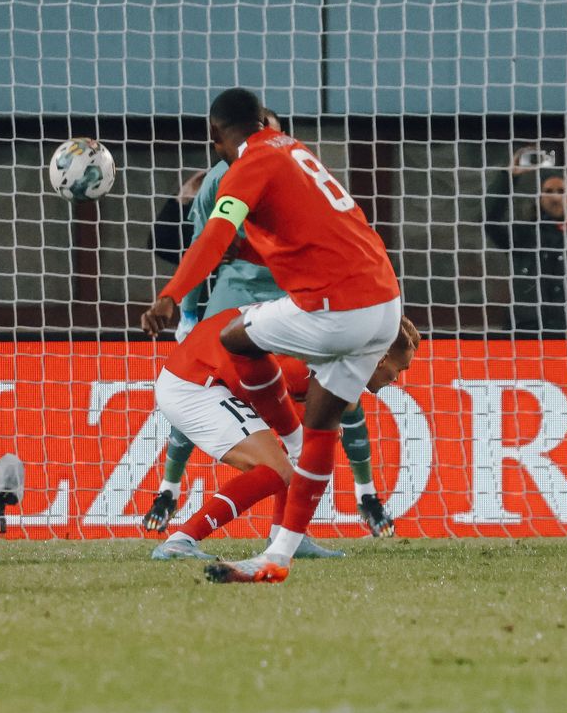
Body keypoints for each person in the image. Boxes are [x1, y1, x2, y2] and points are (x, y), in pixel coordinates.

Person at [142, 87, 402, 584]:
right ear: (264, 119)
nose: (395, 377)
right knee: (320, 431)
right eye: (399, 369)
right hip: (383, 301)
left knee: (241, 339)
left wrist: (174, 294)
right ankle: (279, 553)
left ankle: (202, 522)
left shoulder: (247, 166)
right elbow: (300, 239)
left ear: (213, 134)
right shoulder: (295, 150)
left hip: (333, 310)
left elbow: (214, 236)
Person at [151, 309, 420, 561]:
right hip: (193, 382)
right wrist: (301, 430)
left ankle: (287, 537)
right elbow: (262, 388)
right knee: (278, 468)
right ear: (382, 359)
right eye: (401, 369)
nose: (397, 378)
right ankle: (181, 540)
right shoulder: (312, 362)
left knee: (307, 447)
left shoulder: (337, 353)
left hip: (211, 374)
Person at [483, 147, 567, 333]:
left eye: (561, 190)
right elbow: (489, 220)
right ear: (539, 198)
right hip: (528, 334)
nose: (555, 196)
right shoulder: (523, 236)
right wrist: (508, 177)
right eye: (548, 191)